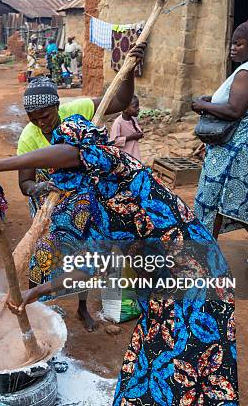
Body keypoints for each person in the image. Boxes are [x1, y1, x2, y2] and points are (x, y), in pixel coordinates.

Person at [0, 113, 238, 406]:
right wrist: (36, 292)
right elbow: (87, 270)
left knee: (182, 371)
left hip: (196, 277)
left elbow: (75, 152)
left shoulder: (115, 164)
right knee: (152, 371)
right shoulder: (95, 204)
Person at [16, 43, 147, 332]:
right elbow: (24, 183)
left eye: (46, 115)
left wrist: (130, 70)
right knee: (42, 255)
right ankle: (34, 310)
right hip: (48, 203)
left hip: (84, 199)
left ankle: (81, 308)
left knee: (83, 256)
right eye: (34, 118)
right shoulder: (29, 137)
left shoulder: (79, 109)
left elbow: (122, 99)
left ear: (57, 106)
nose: (41, 122)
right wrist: (38, 188)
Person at [192, 17, 248, 266]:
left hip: (236, 145)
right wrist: (212, 100)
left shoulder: (247, 71)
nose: (233, 48)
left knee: (213, 197)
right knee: (237, 198)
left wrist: (202, 105)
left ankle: (205, 256)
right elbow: (235, 103)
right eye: (232, 43)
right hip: (242, 142)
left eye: (239, 44)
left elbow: (234, 110)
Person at [109, 94, 143, 160]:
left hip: (134, 153)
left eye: (138, 106)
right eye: (135, 107)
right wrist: (131, 137)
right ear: (125, 109)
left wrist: (139, 134)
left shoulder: (133, 119)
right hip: (123, 157)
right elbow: (113, 141)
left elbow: (136, 131)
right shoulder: (118, 123)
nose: (138, 109)